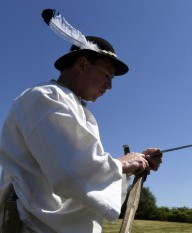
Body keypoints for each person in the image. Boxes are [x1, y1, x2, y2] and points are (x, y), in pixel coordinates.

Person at [0, 36, 163, 233]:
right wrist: (122, 164)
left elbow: (83, 175)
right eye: (106, 75)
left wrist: (132, 166)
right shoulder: (45, 96)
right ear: (83, 65)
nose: (110, 86)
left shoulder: (77, 108)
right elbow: (72, 172)